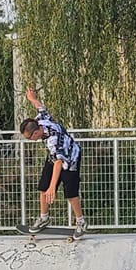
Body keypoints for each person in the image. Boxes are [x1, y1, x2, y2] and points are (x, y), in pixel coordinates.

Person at [20, 87, 88, 236]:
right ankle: (44, 218)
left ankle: (81, 221)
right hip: (55, 157)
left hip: (71, 158)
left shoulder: (53, 140)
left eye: (30, 137)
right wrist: (32, 98)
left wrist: (53, 187)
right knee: (43, 187)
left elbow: (59, 163)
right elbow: (41, 108)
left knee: (70, 192)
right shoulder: (41, 120)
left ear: (36, 132)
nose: (30, 140)